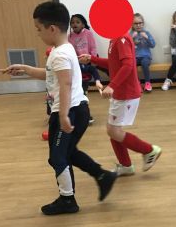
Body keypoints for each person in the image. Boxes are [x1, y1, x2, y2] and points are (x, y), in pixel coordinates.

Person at [5, 1, 118, 215]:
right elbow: (52, 75)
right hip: (78, 108)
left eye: (38, 29)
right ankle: (102, 176)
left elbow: (65, 83)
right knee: (68, 152)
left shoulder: (59, 54)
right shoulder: (65, 49)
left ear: (52, 29)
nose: (38, 33)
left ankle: (67, 200)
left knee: (57, 158)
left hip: (69, 110)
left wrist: (64, 115)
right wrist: (26, 69)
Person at [79, 32, 162, 177]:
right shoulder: (115, 38)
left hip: (126, 93)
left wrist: (112, 85)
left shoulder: (121, 38)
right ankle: (126, 165)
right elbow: (113, 64)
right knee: (113, 129)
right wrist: (92, 59)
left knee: (113, 130)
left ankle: (149, 151)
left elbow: (128, 65)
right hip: (121, 93)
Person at [69, 14, 103, 124]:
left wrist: (91, 60)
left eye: (77, 22)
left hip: (88, 63)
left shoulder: (88, 34)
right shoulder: (70, 36)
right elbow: (71, 52)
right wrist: (76, 62)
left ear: (83, 24)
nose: (74, 24)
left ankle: (85, 116)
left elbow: (93, 48)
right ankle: (80, 115)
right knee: (78, 93)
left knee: (83, 93)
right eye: (72, 22)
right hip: (77, 65)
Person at [131, 13, 155, 92]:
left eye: (140, 23)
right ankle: (137, 83)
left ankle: (147, 83)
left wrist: (147, 38)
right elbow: (126, 47)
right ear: (132, 24)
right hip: (135, 57)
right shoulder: (130, 34)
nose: (138, 25)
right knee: (130, 64)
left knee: (144, 63)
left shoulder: (147, 33)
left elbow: (153, 45)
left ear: (143, 23)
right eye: (135, 23)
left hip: (146, 56)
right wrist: (131, 38)